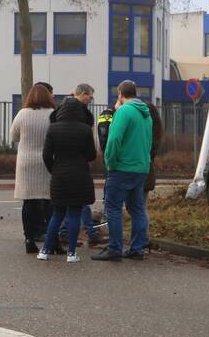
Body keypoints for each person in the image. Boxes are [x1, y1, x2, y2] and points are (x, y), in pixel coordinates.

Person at [93, 80, 153, 262]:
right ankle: (137, 248)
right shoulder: (146, 114)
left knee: (112, 208)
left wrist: (110, 162)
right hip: (141, 168)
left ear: (120, 93)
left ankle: (115, 248)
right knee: (137, 209)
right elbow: (149, 141)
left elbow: (114, 139)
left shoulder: (124, 111)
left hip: (122, 168)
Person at [38, 96, 97, 262]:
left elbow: (46, 155)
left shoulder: (53, 129)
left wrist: (54, 169)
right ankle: (71, 253)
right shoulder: (85, 129)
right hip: (80, 175)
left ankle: (44, 251)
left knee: (57, 214)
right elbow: (91, 155)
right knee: (75, 214)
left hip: (60, 175)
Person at [11, 83, 56, 254]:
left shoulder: (22, 114)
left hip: (26, 163)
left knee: (28, 203)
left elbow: (14, 136)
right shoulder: (53, 115)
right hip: (47, 162)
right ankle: (51, 240)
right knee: (49, 202)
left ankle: (29, 238)